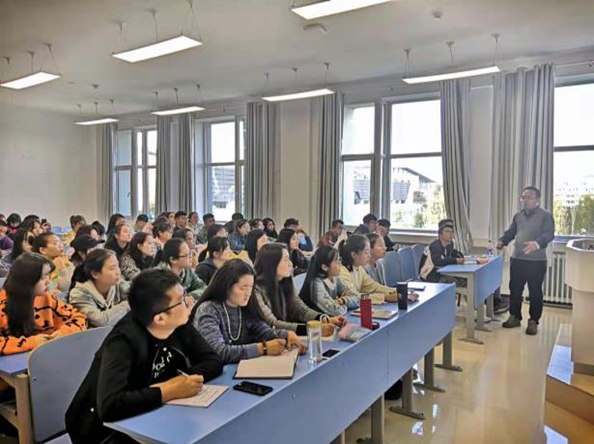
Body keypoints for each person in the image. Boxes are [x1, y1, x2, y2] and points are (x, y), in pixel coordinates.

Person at [65, 268, 223, 444]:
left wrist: (180, 382)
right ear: (160, 318)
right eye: (182, 300)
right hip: (103, 431)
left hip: (152, 413)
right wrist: (168, 390)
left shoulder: (178, 322)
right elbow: (110, 406)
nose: (190, 302)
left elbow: (213, 361)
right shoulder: (122, 342)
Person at [193, 259, 305, 364]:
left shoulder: (245, 308)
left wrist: (287, 335)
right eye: (242, 288)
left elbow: (264, 332)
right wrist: (262, 348)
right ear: (226, 286)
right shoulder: (208, 309)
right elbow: (219, 352)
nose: (248, 293)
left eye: (250, 287)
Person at [0, 253, 86, 355]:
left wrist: (64, 332)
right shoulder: (2, 304)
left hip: (46, 356)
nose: (48, 282)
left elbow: (79, 318)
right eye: (43, 278)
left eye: (48, 275)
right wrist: (29, 343)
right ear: (26, 280)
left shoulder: (47, 298)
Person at [253, 243, 345, 336]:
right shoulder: (256, 290)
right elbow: (273, 324)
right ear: (271, 264)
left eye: (289, 259)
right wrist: (311, 329)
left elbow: (301, 310)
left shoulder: (284, 282)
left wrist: (326, 319)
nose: (290, 264)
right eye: (286, 260)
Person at [499, 186, 555, 335]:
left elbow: (549, 234)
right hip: (518, 259)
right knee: (515, 289)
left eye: (529, 197)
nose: (525, 200)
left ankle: (533, 321)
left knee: (535, 291)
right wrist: (503, 240)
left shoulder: (545, 215)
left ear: (537, 200)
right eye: (523, 197)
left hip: (536, 261)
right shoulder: (518, 216)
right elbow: (511, 232)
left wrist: (536, 243)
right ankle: (515, 317)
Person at [69, 249, 130, 328]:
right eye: (112, 268)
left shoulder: (117, 284)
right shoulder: (79, 294)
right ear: (95, 274)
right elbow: (101, 321)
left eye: (118, 266)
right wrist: (131, 303)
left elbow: (138, 295)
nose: (118, 272)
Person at [299, 246, 358, 316]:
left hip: (329, 319)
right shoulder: (316, 284)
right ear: (325, 267)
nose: (340, 263)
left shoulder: (335, 277)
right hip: (313, 321)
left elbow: (357, 298)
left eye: (339, 259)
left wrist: (342, 301)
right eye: (336, 261)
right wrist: (346, 305)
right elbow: (337, 311)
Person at [338, 234, 397, 301]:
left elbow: (373, 287)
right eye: (366, 253)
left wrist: (395, 291)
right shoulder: (342, 271)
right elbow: (353, 296)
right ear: (354, 254)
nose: (369, 256)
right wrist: (385, 297)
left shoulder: (359, 268)